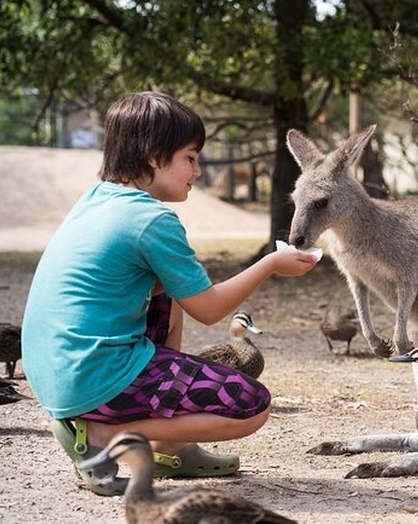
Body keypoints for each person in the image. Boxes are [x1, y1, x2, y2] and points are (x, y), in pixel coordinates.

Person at [21, 91, 318, 496]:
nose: (197, 170)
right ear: (152, 156)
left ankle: (167, 447)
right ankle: (103, 433)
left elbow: (182, 295)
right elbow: (210, 309)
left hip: (56, 374)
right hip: (92, 376)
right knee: (252, 405)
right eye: (191, 158)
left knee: (167, 288)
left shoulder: (96, 199)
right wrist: (270, 264)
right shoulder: (152, 218)